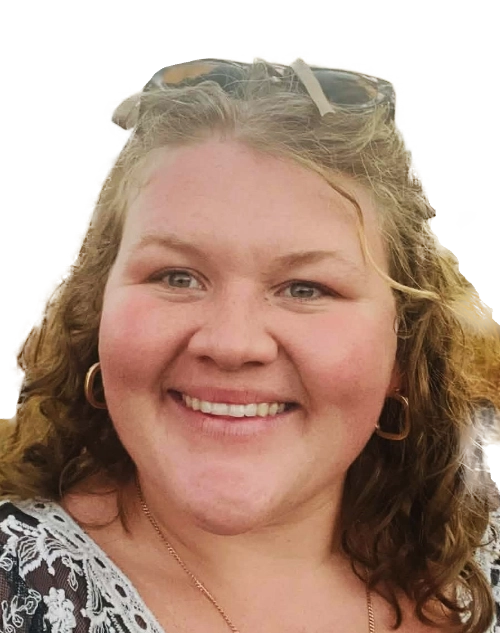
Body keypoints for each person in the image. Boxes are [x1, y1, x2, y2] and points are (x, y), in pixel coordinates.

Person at [1, 58, 499, 633]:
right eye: (176, 277)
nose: (232, 343)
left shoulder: (482, 560)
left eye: (305, 288)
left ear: (404, 350)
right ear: (97, 315)